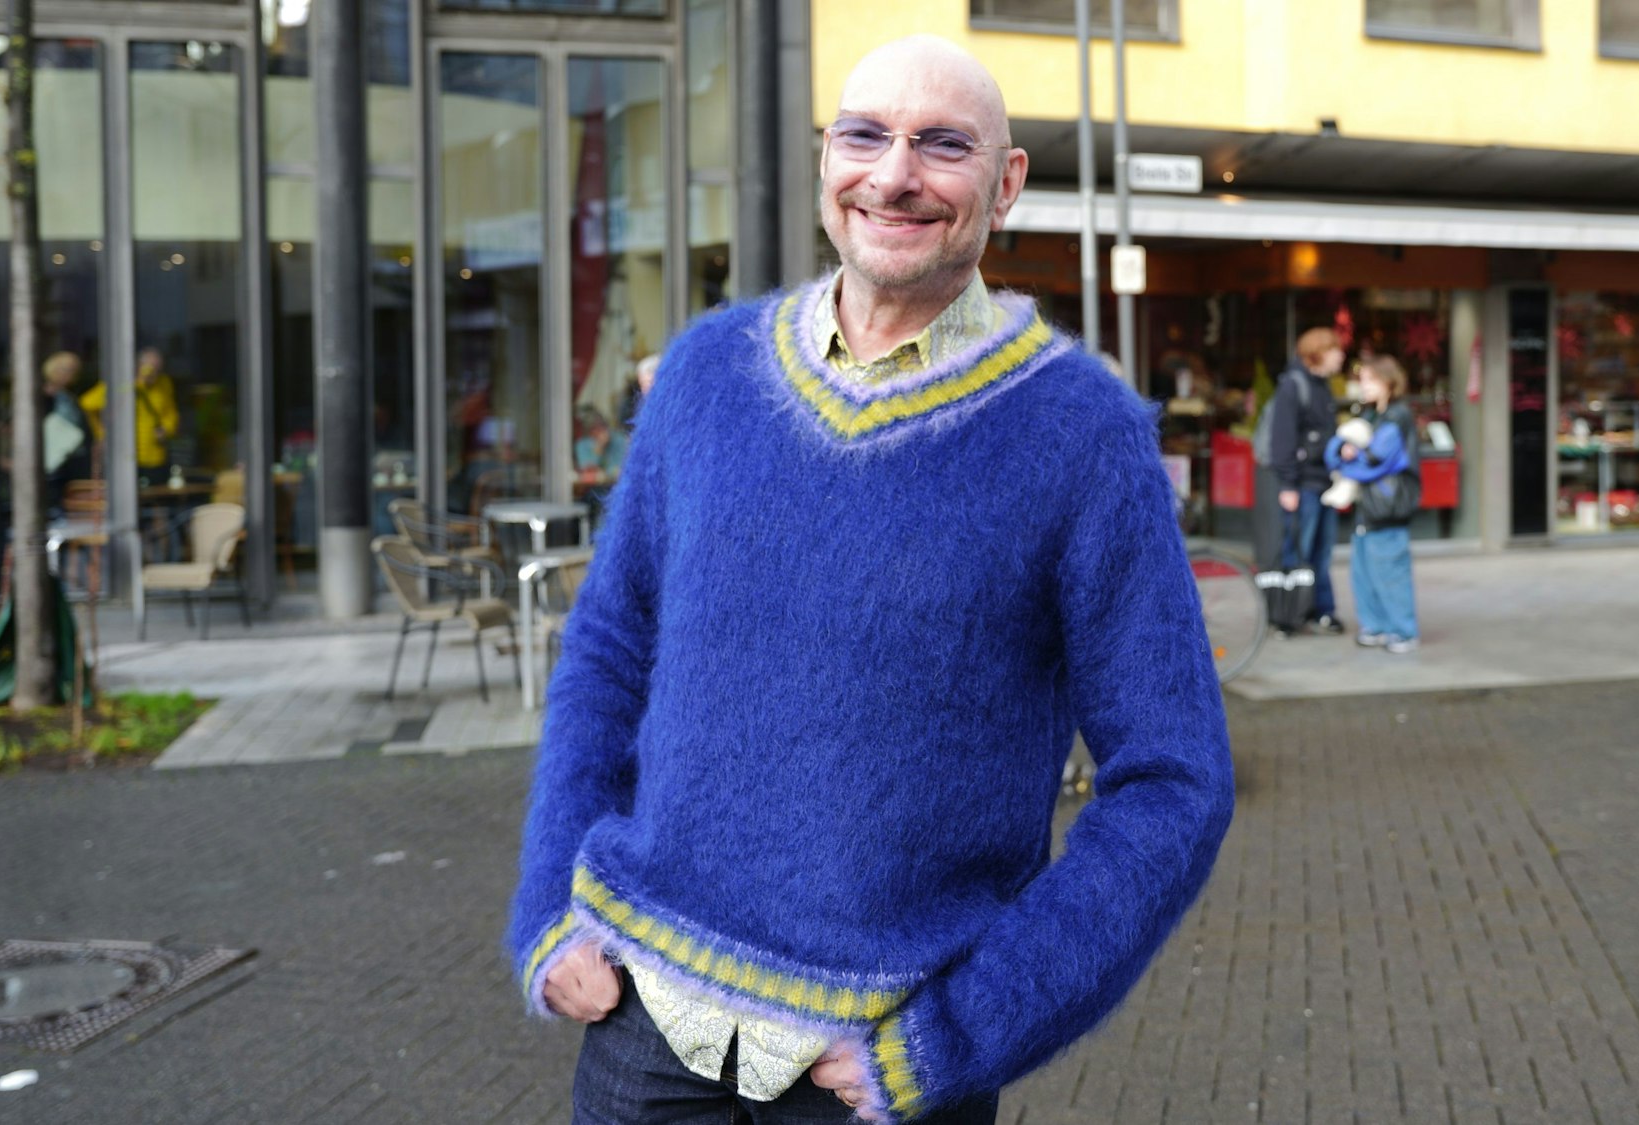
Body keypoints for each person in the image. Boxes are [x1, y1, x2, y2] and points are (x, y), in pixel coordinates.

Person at [510, 35, 1234, 1125]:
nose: (893, 175)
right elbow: (611, 647)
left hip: (875, 1072)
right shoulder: (707, 373)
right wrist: (547, 906)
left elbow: (1172, 779)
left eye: (942, 145)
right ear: (824, 160)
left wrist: (974, 1026)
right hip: (639, 1031)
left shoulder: (1083, 436)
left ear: (1005, 186)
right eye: (864, 135)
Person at [1328, 356, 1420, 654]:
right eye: (1362, 380)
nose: (1362, 386)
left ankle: (1403, 632)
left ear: (1388, 382)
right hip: (1368, 509)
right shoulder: (1370, 416)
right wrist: (1344, 454)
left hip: (1388, 509)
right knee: (1363, 573)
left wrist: (1346, 463)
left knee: (1391, 573)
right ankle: (1376, 627)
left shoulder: (1398, 416)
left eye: (1369, 380)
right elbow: (1337, 449)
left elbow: (1377, 461)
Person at [1264, 326, 1346, 636]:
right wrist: (1288, 485)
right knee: (1297, 549)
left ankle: (1319, 610)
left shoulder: (1322, 386)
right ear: (1320, 352)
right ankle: (1287, 614)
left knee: (1321, 552)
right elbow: (1281, 440)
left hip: (1323, 483)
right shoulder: (1293, 386)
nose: (1341, 357)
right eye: (1336, 350)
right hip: (1303, 485)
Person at [80, 346, 179, 487]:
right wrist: (101, 433)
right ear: (139, 365)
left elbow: (170, 413)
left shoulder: (164, 383)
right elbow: (88, 404)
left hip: (155, 454)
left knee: (156, 494)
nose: (154, 373)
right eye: (151, 367)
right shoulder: (122, 382)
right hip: (127, 455)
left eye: (158, 368)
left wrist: (166, 429)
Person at [41, 351, 94, 518]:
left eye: (73, 370)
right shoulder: (45, 396)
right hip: (53, 462)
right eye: (66, 369)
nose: (70, 375)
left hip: (73, 460)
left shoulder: (69, 396)